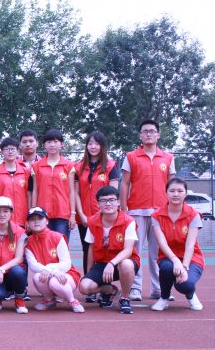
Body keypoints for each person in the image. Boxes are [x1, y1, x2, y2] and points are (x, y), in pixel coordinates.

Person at [120, 119, 175, 301]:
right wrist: (123, 208)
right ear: (140, 136)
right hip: (136, 210)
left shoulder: (168, 157)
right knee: (134, 251)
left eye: (152, 131)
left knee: (157, 252)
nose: (149, 134)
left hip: (160, 213)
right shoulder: (131, 157)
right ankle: (135, 288)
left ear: (158, 135)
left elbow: (172, 185)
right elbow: (125, 183)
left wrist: (171, 209)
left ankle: (159, 288)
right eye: (145, 131)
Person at [78, 186, 140, 315]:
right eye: (103, 200)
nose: (108, 203)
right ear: (98, 204)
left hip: (123, 261)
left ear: (118, 202)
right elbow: (91, 249)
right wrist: (89, 273)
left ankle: (125, 298)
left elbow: (128, 250)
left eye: (112, 200)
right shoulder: (92, 222)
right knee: (84, 287)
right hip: (102, 263)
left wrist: (112, 263)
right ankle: (110, 290)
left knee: (126, 264)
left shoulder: (129, 221)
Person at [74, 131, 120, 301]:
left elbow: (113, 193)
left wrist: (102, 215)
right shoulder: (79, 167)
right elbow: (75, 193)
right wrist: (81, 214)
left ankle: (106, 289)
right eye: (90, 143)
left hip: (104, 218)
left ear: (102, 146)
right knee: (87, 250)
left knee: (106, 251)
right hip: (84, 219)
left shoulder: (111, 166)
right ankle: (92, 286)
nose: (93, 146)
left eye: (97, 143)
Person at [150, 178, 205, 311]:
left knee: (185, 285)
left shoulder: (194, 214)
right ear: (166, 193)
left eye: (180, 191)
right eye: (172, 191)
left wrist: (184, 267)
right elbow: (162, 243)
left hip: (191, 258)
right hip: (167, 257)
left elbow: (190, 244)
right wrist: (175, 260)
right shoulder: (156, 215)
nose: (176, 194)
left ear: (186, 193)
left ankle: (190, 295)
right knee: (167, 268)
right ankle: (164, 298)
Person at [24, 206, 85, 313]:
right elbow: (33, 265)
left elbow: (66, 263)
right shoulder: (28, 242)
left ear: (47, 221)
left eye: (40, 218)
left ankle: (72, 300)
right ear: (28, 223)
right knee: (37, 278)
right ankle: (49, 300)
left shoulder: (57, 237)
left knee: (54, 282)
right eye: (32, 219)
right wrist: (52, 272)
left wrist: (50, 269)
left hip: (67, 274)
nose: (36, 221)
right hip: (49, 273)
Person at [31, 129, 76, 240]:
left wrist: (73, 214)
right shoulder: (36, 166)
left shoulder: (69, 165)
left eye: (55, 141)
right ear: (44, 145)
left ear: (61, 144)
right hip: (42, 213)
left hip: (63, 213)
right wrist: (33, 212)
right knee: (43, 244)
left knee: (61, 244)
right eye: (49, 142)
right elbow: (35, 191)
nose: (52, 145)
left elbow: (72, 191)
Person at [0, 136, 32, 228]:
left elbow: (29, 196)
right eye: (6, 149)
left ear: (18, 151)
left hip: (22, 218)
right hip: (2, 219)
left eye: (12, 149)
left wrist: (30, 216)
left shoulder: (27, 172)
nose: (10, 152)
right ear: (1, 152)